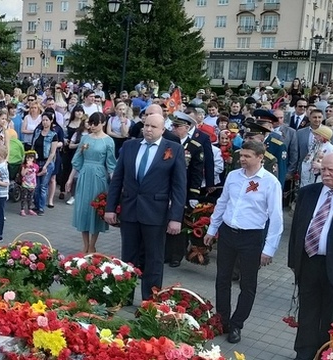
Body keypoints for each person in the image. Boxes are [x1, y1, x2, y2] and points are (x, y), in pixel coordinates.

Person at [204, 140, 283, 344]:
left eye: (247, 156)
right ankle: (222, 319)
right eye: (241, 155)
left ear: (259, 157)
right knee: (222, 278)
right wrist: (212, 229)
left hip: (251, 237)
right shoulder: (233, 176)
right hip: (228, 233)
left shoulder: (270, 182)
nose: (242, 160)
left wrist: (269, 249)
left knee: (247, 284)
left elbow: (276, 218)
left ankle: (237, 324)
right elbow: (222, 203)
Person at [104, 113, 187, 302]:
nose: (148, 129)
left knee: (154, 258)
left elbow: (179, 186)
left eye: (153, 127)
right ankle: (124, 296)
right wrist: (111, 207)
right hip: (130, 209)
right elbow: (118, 179)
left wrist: (176, 217)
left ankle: (150, 300)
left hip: (156, 213)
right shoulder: (130, 146)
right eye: (146, 125)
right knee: (128, 256)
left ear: (162, 130)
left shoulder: (173, 149)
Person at [288, 153, 333, 360]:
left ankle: (328, 354)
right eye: (323, 169)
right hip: (310, 262)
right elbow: (297, 229)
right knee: (308, 312)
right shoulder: (308, 193)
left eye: (332, 170)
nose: (326, 174)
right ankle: (303, 353)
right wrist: (294, 261)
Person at [66, 112, 115, 254]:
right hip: (84, 175)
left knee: (95, 209)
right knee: (83, 209)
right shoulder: (85, 138)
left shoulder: (108, 141)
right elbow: (77, 160)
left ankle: (93, 244)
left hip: (99, 177)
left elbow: (111, 164)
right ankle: (85, 244)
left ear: (103, 123)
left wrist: (116, 184)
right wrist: (70, 179)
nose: (92, 126)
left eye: (96, 123)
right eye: (91, 123)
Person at [164, 112, 205, 268]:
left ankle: (176, 255)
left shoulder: (195, 147)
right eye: (173, 125)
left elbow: (196, 172)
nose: (174, 129)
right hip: (166, 188)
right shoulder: (167, 143)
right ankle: (165, 253)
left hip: (184, 190)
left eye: (178, 126)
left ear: (187, 128)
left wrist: (194, 194)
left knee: (179, 223)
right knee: (165, 221)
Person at [20, 151, 40, 216]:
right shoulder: (24, 166)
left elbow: (36, 172)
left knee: (30, 197)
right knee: (24, 197)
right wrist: (27, 167)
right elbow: (22, 174)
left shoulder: (36, 166)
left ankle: (30, 209)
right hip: (25, 184)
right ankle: (22, 209)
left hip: (32, 184)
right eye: (27, 158)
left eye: (31, 158)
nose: (29, 159)